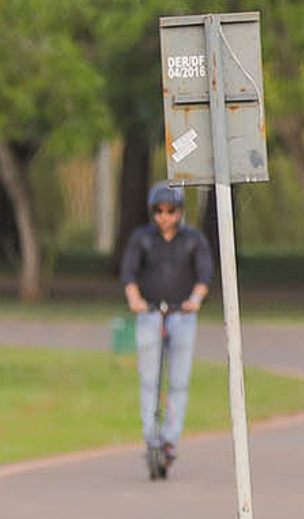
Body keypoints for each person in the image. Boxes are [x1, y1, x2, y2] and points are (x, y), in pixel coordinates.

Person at [119, 183, 214, 469]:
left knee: (178, 380)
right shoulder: (142, 239)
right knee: (150, 379)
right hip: (150, 314)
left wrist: (195, 299)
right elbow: (128, 272)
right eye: (159, 211)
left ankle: (170, 438)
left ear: (180, 211)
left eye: (170, 211)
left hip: (182, 315)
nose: (165, 217)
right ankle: (151, 436)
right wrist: (135, 299)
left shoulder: (193, 239)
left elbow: (205, 274)